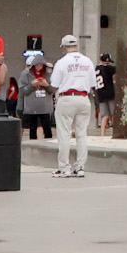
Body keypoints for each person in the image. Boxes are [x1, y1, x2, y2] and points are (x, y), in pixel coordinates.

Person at [50, 34, 97, 177]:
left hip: (67, 98)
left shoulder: (62, 62)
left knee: (64, 134)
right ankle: (80, 166)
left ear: (64, 47)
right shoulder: (88, 62)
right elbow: (92, 84)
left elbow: (54, 85)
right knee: (81, 134)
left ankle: (64, 167)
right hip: (83, 98)